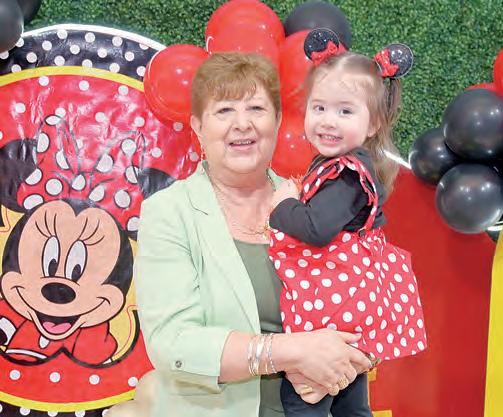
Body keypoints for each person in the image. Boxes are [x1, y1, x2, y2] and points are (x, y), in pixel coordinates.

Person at [122, 52, 371, 417]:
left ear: (278, 120)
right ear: (198, 127)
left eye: (256, 108)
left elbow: (364, 305)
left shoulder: (314, 203)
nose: (242, 124)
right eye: (224, 111)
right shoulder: (170, 213)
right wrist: (291, 352)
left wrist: (352, 358)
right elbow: (172, 343)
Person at [268, 30, 428, 417]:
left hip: (331, 307)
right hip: (351, 304)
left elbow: (317, 229)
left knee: (305, 395)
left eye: (345, 111)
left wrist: (282, 206)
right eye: (319, 108)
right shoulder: (344, 166)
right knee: (350, 400)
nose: (328, 121)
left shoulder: (346, 173)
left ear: (373, 124)